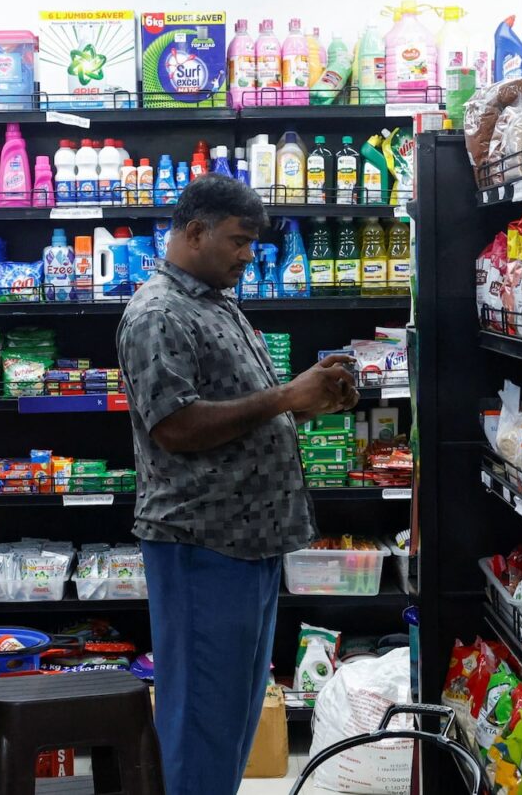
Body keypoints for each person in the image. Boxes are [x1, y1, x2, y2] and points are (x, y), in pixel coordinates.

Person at [117, 174, 359, 794]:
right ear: (195, 232)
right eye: (239, 240)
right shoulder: (158, 313)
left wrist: (310, 401)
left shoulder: (213, 302)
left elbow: (245, 413)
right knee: (202, 713)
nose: (250, 254)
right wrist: (284, 395)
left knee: (231, 715)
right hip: (203, 541)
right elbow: (175, 426)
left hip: (249, 540)